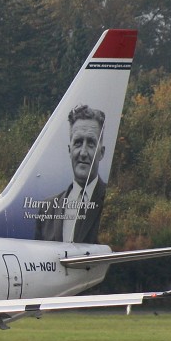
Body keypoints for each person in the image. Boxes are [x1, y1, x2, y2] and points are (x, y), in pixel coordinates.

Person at [34, 104, 107, 242]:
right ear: (69, 150)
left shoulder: (113, 202)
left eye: (91, 143)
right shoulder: (47, 209)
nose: (83, 153)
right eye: (78, 143)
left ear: (101, 153)